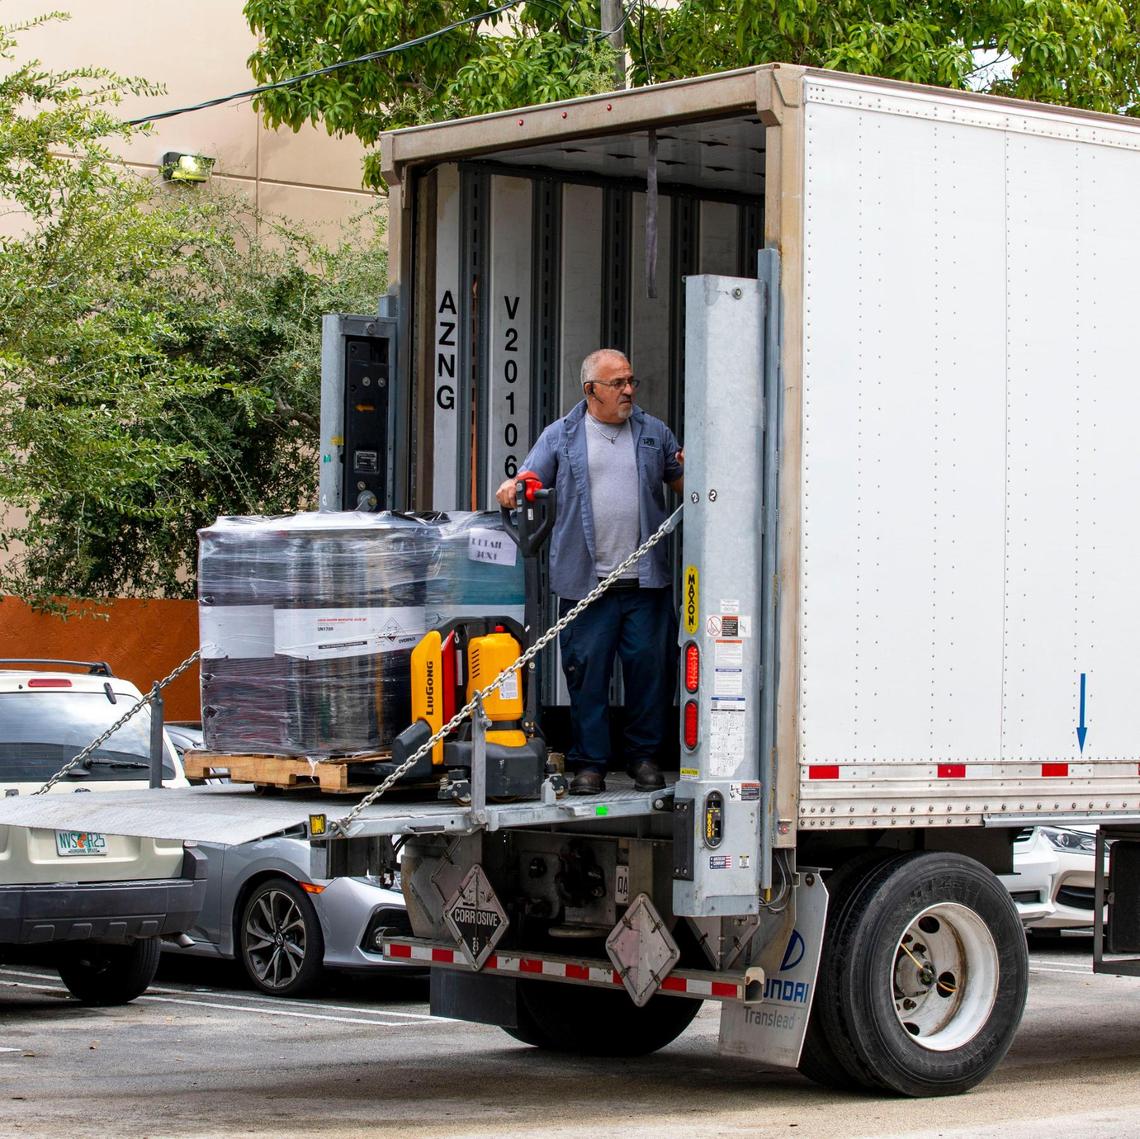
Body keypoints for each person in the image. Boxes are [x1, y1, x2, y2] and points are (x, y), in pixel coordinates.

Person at [496, 348, 683, 794]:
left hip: (645, 584)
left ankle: (644, 760)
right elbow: (526, 481)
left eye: (630, 381)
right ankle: (590, 765)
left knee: (650, 674)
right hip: (587, 586)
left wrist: (703, 471)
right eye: (617, 383)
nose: (628, 391)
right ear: (591, 391)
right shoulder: (561, 435)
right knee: (587, 676)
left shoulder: (654, 432)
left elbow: (685, 482)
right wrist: (512, 489)